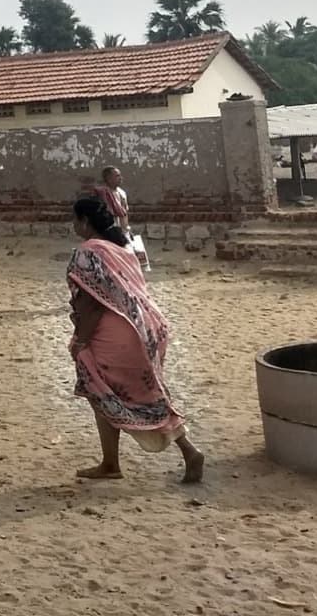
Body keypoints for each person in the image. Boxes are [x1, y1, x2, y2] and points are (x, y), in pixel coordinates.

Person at [67, 196, 204, 484]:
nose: (73, 225)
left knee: (109, 392)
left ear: (84, 222)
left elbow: (92, 305)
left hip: (116, 334)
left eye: (75, 219)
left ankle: (187, 451)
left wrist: (80, 341)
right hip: (147, 328)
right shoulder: (122, 249)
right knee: (123, 392)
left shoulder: (88, 252)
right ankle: (111, 463)